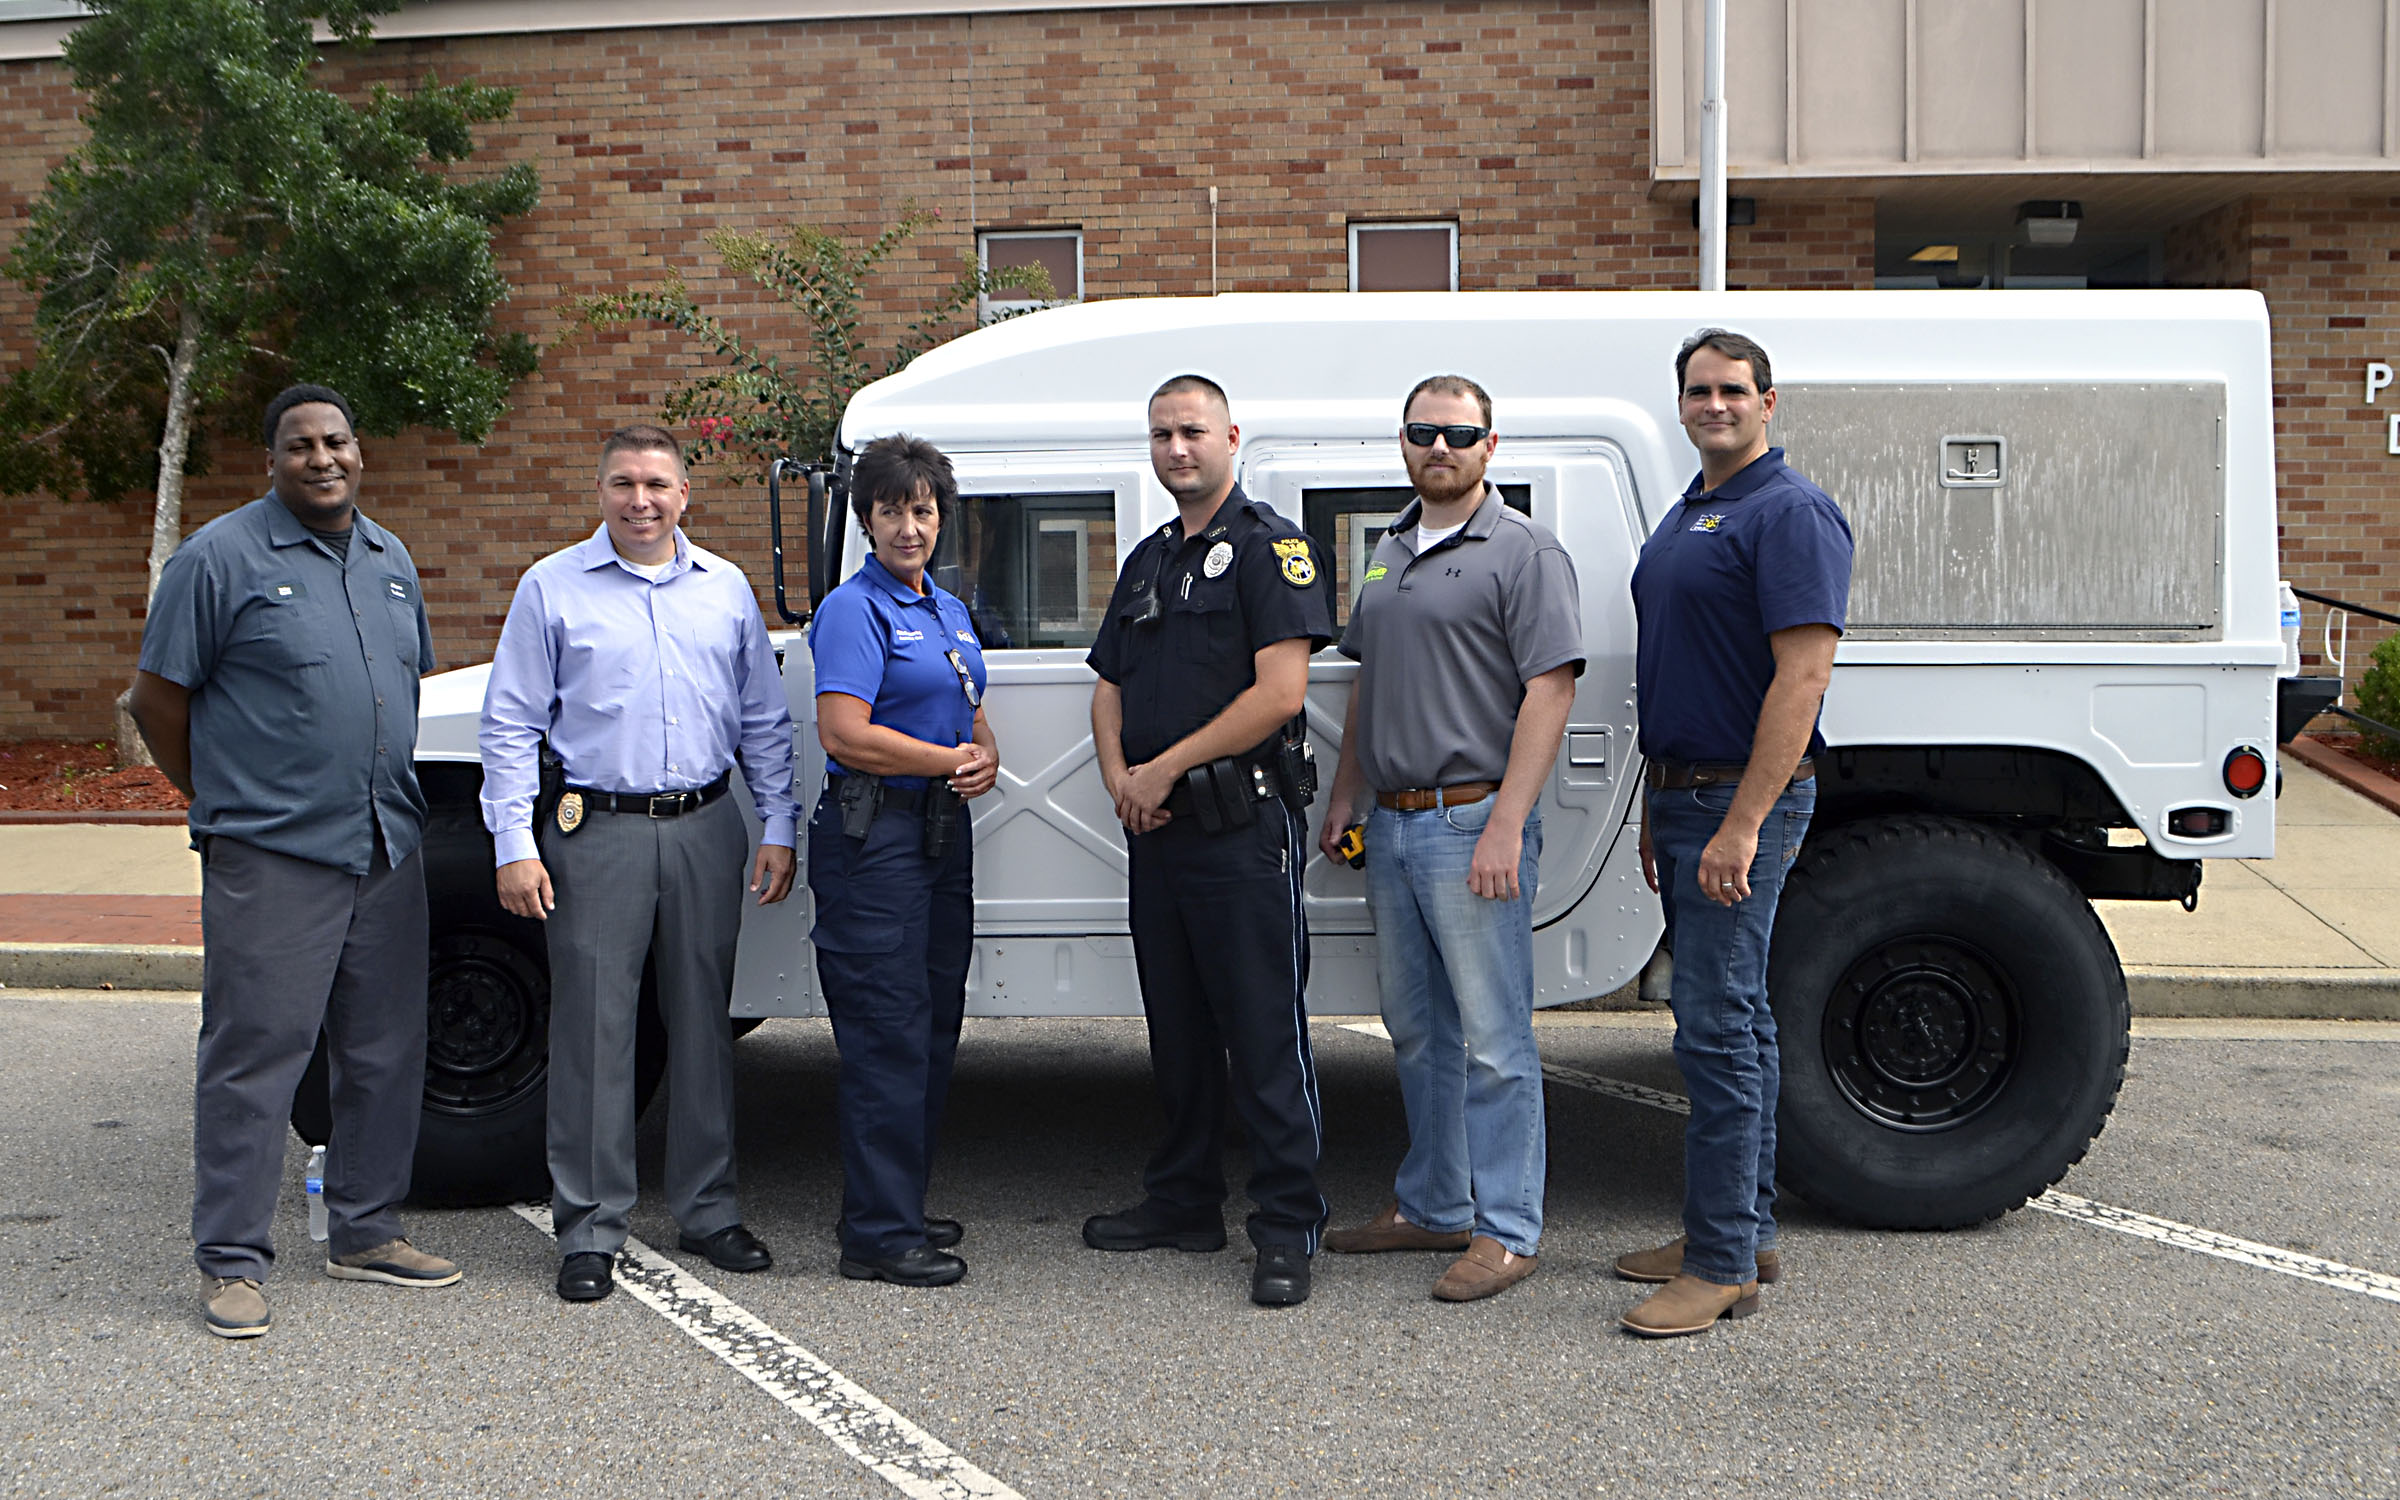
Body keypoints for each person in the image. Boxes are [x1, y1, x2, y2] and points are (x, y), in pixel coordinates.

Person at [128, 383, 460, 1340]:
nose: (323, 458)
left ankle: (366, 1229)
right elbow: (155, 702)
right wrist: (226, 801)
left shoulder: (390, 559)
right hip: (272, 854)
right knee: (255, 1056)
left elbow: (398, 689)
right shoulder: (217, 559)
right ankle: (231, 1260)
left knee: (384, 1050)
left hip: (385, 845)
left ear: (359, 451)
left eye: (337, 441)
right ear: (271, 460)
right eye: (301, 445)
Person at [479, 424, 798, 1304]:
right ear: (601, 492)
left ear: (684, 494)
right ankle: (589, 1228)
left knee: (703, 1025)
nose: (641, 500)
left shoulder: (725, 590)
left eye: (657, 484)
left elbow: (763, 720)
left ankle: (709, 1210)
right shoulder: (552, 588)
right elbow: (510, 724)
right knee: (593, 1031)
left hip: (706, 826)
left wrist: (778, 822)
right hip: (597, 833)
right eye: (623, 483)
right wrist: (514, 843)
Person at [1318, 375, 1583, 1302]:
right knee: (1419, 1031)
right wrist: (1346, 793)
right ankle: (1434, 1203)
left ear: (1489, 446)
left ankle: (1508, 1230)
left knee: (1494, 1042)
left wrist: (1506, 821)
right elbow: (1369, 679)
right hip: (1392, 824)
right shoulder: (1388, 550)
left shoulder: (1524, 551)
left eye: (1460, 434)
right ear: (1402, 442)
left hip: (1473, 820)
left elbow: (1552, 688)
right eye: (1424, 432)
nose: (1441, 447)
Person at [1617, 328, 1852, 1338]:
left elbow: (1804, 677)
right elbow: (1681, 667)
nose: (1714, 405)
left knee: (1712, 1029)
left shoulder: (1789, 513)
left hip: (1737, 800)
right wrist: (1652, 801)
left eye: (1733, 390)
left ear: (1768, 401)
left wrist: (1743, 821)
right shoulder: (1692, 509)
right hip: (1685, 793)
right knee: (1738, 1020)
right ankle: (1742, 1237)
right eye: (1699, 391)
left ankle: (1717, 1265)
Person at [1082, 373, 1334, 1308]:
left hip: (1240, 831)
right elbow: (1108, 684)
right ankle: (1185, 1201)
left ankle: (1287, 1226)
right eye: (1161, 435)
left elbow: (1280, 694)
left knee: (1264, 1033)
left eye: (1192, 431)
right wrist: (1123, 779)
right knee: (1178, 1032)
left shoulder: (1274, 550)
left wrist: (1165, 771)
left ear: (1231, 438)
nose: (1176, 449)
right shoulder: (1148, 560)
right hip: (1159, 834)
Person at [806, 434, 999, 1288]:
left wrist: (985, 753)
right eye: (892, 511)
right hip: (874, 838)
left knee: (929, 1025)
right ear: (867, 520)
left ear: (940, 519)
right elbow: (844, 733)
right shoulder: (854, 610)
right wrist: (950, 761)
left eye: (923, 511)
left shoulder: (945, 607)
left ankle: (897, 1205)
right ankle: (878, 1236)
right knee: (885, 1031)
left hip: (938, 834)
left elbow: (969, 706)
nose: (909, 527)